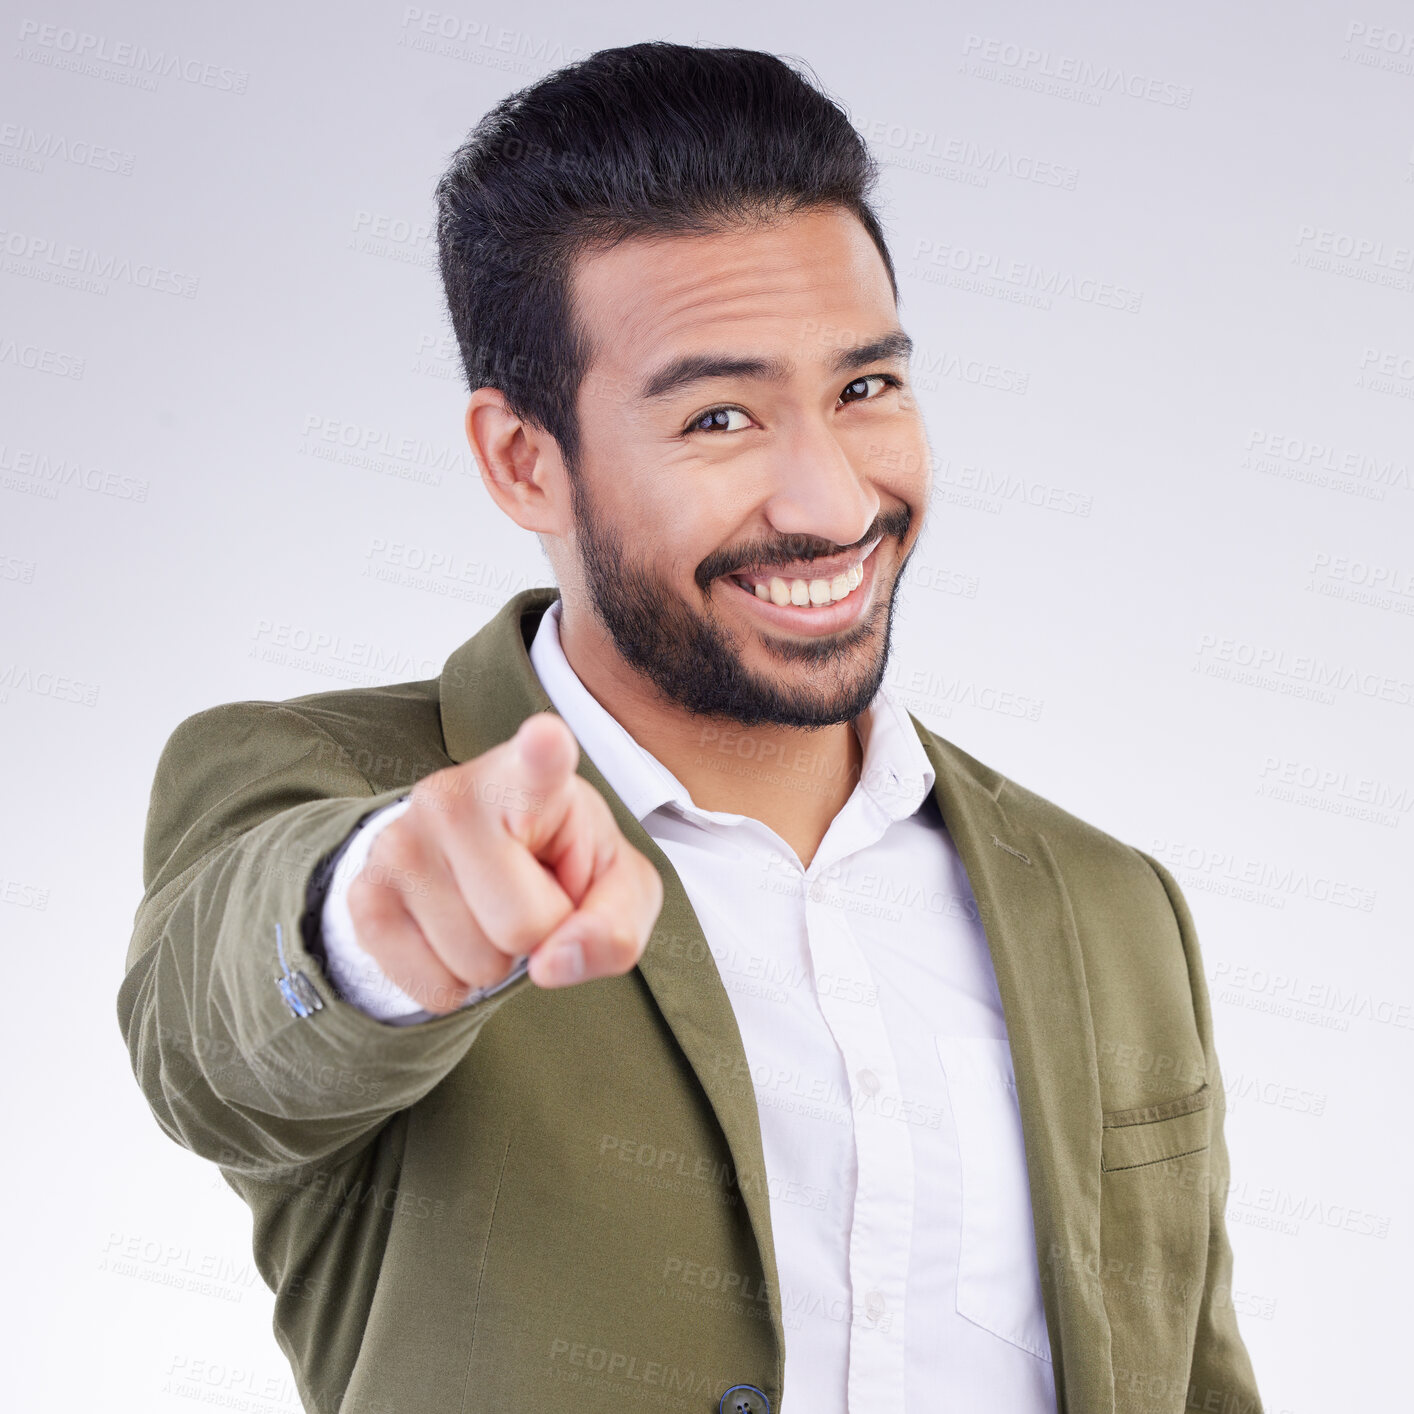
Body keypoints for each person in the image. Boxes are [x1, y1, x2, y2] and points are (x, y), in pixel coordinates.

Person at [118, 40, 1264, 1414]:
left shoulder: (1111, 902)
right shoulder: (346, 789)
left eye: (863, 389)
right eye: (718, 415)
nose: (829, 500)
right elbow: (218, 1042)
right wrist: (372, 919)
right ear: (521, 458)